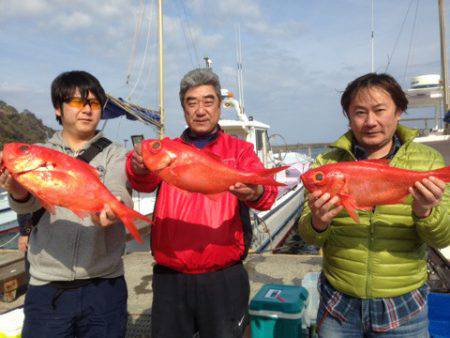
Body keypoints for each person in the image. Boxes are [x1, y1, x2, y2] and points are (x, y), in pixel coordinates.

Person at [126, 68, 278, 338]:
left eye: (208, 101)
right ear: (183, 108)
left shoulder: (239, 150)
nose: (200, 110)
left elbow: (265, 195)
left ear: (219, 107)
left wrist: (254, 192)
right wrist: (139, 166)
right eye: (191, 102)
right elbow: (141, 181)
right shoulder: (168, 148)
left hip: (224, 277)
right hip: (170, 277)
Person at [299, 73, 450, 337]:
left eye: (380, 110)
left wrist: (424, 211)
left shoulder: (428, 162)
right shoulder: (325, 160)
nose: (370, 122)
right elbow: (307, 234)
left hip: (404, 308)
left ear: (399, 111)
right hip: (338, 305)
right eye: (359, 112)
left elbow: (443, 236)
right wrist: (318, 221)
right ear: (348, 116)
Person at [0, 70, 131, 338]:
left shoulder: (116, 152)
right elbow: (29, 204)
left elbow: (119, 187)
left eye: (94, 104)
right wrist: (17, 191)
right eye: (75, 102)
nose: (86, 110)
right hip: (48, 288)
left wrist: (114, 207)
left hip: (104, 284)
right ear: (58, 109)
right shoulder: (39, 152)